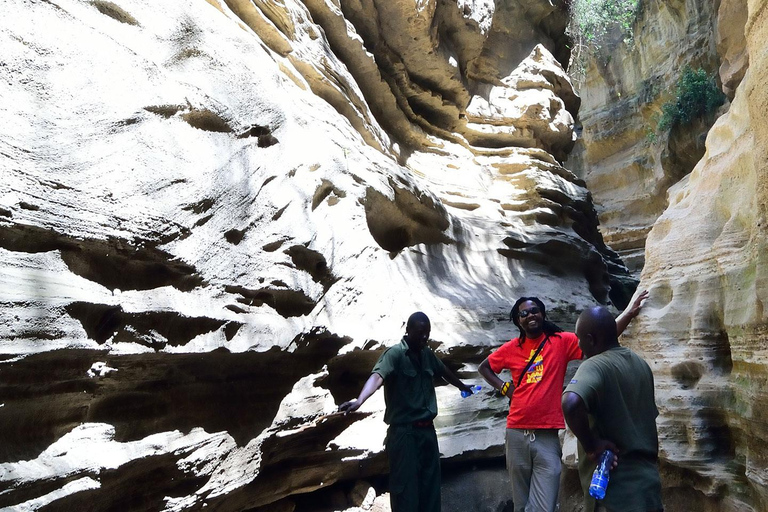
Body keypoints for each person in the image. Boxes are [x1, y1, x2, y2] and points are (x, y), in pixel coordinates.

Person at [478, 291, 648, 512]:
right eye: (523, 313)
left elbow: (601, 337)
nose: (530, 315)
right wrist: (505, 388)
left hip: (547, 434)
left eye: (534, 311)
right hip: (516, 431)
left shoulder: (560, 341)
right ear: (518, 321)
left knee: (545, 504)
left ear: (542, 314)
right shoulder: (512, 348)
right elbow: (485, 367)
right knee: (520, 503)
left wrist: (628, 314)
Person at [338, 311, 474, 512]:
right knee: (405, 489)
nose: (424, 337)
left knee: (430, 486)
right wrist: (359, 400)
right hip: (404, 434)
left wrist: (462, 385)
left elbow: (443, 371)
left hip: (427, 432)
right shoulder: (394, 355)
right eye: (420, 332)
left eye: (427, 333)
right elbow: (377, 376)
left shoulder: (427, 354)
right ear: (407, 330)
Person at [561, 305, 663, 512]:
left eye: (580, 339)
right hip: (648, 488)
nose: (579, 345)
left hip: (615, 492)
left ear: (591, 339)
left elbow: (570, 403)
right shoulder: (640, 364)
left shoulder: (595, 365)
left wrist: (591, 446)